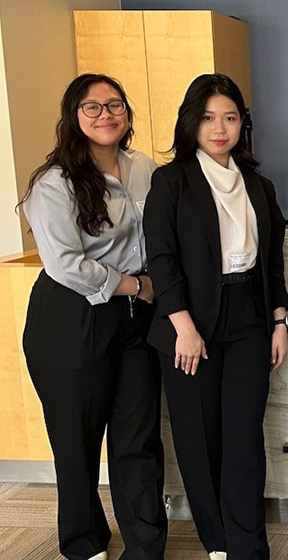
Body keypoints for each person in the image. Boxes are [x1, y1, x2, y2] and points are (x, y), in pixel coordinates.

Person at [19, 73, 167, 560]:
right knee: (76, 439)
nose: (105, 114)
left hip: (137, 318)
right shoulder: (54, 181)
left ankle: (146, 547)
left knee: (137, 437)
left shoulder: (143, 167)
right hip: (72, 317)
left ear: (126, 112)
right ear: (74, 117)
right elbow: (65, 264)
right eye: (92, 107)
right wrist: (136, 285)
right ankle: (84, 545)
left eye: (114, 104)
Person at [143, 73, 288, 560]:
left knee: (245, 437)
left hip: (249, 315)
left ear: (241, 125)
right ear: (192, 123)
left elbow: (271, 258)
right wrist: (182, 326)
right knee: (200, 438)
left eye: (229, 118)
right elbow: (161, 259)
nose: (219, 128)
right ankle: (218, 542)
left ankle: (248, 546)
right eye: (208, 118)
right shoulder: (171, 181)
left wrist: (279, 320)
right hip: (191, 325)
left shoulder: (257, 184)